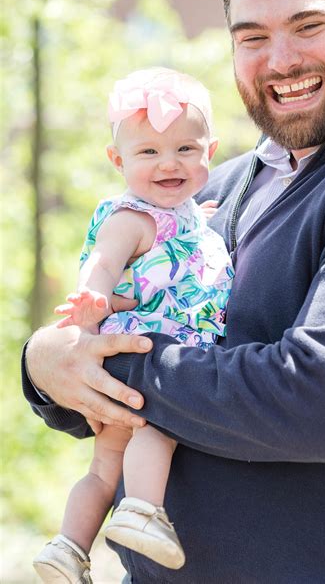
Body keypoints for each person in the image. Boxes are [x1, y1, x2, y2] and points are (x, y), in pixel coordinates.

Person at [23, 0, 325, 583]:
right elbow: (121, 346)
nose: (280, 59)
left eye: (308, 25)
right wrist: (46, 364)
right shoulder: (214, 188)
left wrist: (104, 363)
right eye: (252, 37)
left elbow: (315, 402)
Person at [32, 67, 234, 583]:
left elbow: (179, 255)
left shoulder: (184, 216)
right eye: (148, 153)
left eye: (186, 150)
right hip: (149, 353)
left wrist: (198, 220)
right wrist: (93, 296)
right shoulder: (131, 217)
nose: (169, 163)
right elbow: (103, 260)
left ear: (209, 152)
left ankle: (68, 548)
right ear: (117, 161)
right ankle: (142, 511)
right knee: (159, 428)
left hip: (146, 353)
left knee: (104, 468)